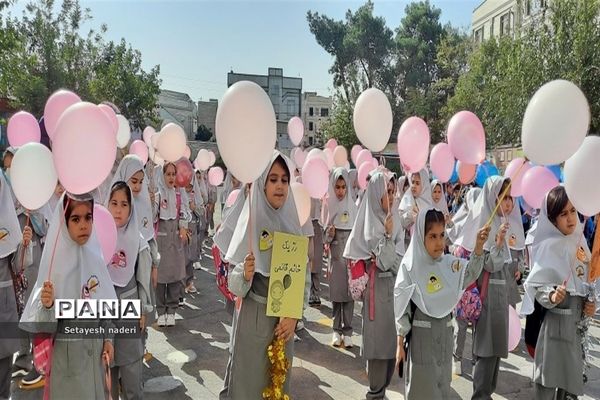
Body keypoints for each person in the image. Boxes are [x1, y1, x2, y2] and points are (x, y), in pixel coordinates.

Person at [219, 152, 309, 399]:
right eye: (273, 179)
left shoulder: (292, 225)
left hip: (282, 325)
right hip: (252, 320)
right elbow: (234, 286)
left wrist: (293, 316)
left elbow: (303, 280)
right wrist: (244, 273)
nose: (280, 185)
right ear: (262, 184)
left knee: (277, 384)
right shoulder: (251, 223)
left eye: (284, 180)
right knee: (249, 385)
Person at [20, 192, 117, 399]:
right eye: (75, 219)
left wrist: (108, 337)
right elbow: (43, 329)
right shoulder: (53, 267)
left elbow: (104, 305)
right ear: (64, 222)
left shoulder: (95, 258)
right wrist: (48, 306)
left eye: (88, 217)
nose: (83, 225)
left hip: (95, 365)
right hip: (68, 370)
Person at [394, 208, 490, 399]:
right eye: (432, 236)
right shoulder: (410, 266)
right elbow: (402, 306)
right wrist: (399, 343)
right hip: (422, 340)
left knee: (441, 389)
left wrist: (478, 247)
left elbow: (469, 273)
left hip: (444, 338)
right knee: (421, 389)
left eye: (442, 235)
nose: (439, 242)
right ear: (421, 236)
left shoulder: (448, 264)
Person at [521, 186, 596, 400]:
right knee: (548, 379)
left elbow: (587, 283)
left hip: (574, 331)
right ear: (553, 219)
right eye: (563, 214)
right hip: (554, 329)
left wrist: (590, 305)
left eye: (573, 211)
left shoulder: (580, 244)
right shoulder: (547, 246)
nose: (571, 218)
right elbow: (537, 284)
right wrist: (551, 296)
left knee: (568, 382)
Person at [344, 171, 402, 400]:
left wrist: (391, 246)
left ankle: (380, 391)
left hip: (393, 292)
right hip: (376, 295)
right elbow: (389, 260)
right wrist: (388, 237)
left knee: (390, 353)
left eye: (393, 191)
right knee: (378, 351)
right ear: (376, 194)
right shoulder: (371, 226)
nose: (391, 197)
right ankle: (375, 394)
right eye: (386, 192)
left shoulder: (393, 220)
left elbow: (400, 261)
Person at [454, 176, 511, 400]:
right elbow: (487, 263)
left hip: (500, 297)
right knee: (486, 351)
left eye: (510, 198)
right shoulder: (485, 225)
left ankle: (486, 393)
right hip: (487, 297)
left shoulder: (502, 224)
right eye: (502, 197)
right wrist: (497, 244)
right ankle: (480, 395)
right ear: (491, 198)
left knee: (496, 350)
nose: (507, 203)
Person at [106, 181, 153, 400]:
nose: (118, 209)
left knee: (132, 372)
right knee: (108, 374)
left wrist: (143, 309)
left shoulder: (138, 241)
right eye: (113, 203)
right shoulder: (98, 239)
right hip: (104, 312)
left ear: (131, 208)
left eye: (124, 204)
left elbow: (143, 281)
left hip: (129, 311)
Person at [0, 172, 32, 399]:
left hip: (4, 308)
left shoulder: (7, 223)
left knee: (3, 370)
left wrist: (24, 244)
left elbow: (18, 264)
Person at [322, 168, 358, 348]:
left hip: (350, 261)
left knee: (349, 296)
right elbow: (323, 238)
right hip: (335, 260)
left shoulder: (354, 206)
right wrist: (329, 233)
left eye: (344, 187)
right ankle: (336, 330)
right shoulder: (328, 206)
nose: (341, 191)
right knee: (337, 296)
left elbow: (359, 235)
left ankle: (348, 331)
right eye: (337, 187)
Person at [154, 162, 190, 327]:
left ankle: (172, 310)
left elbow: (184, 211)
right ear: (162, 175)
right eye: (167, 174)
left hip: (175, 240)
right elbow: (152, 217)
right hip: (161, 240)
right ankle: (161, 310)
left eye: (173, 174)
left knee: (175, 277)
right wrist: (151, 202)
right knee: (160, 279)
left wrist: (183, 227)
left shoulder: (178, 193)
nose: (170, 177)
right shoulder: (157, 194)